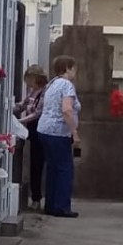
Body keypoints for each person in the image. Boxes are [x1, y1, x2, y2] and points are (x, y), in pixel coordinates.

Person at [36, 55, 81, 218]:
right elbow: (67, 109)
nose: (75, 72)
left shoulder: (52, 84)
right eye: (74, 68)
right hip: (59, 131)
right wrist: (74, 132)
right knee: (64, 169)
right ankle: (62, 206)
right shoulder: (67, 85)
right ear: (68, 68)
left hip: (44, 129)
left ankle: (51, 204)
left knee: (52, 168)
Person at [14, 64, 49, 210]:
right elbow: (22, 105)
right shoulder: (32, 93)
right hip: (31, 129)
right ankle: (35, 196)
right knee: (34, 163)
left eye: (28, 79)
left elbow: (37, 113)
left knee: (38, 164)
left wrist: (20, 121)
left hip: (39, 128)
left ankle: (37, 198)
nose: (27, 83)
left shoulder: (44, 93)